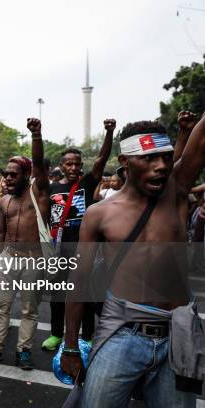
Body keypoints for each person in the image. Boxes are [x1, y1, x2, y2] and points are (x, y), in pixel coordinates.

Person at [61, 116, 205, 408]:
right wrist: (71, 347)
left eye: (165, 158)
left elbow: (201, 141)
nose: (162, 166)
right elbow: (79, 282)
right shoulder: (99, 214)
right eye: (149, 159)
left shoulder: (176, 190)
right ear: (125, 162)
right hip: (122, 334)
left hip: (178, 338)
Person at [0, 118, 49, 370]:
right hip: (8, 257)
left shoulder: (37, 194)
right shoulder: (4, 202)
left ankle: (24, 352)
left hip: (33, 259)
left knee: (29, 310)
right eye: (6, 174)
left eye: (13, 174)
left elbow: (39, 164)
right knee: (0, 305)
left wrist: (36, 135)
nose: (7, 178)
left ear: (26, 176)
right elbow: (0, 235)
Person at [42, 119, 116, 351]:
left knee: (84, 294)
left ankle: (87, 336)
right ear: (61, 166)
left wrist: (109, 133)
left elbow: (101, 160)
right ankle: (56, 334)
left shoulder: (85, 184)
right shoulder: (52, 188)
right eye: (69, 164)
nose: (73, 168)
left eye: (77, 164)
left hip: (84, 250)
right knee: (57, 295)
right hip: (58, 251)